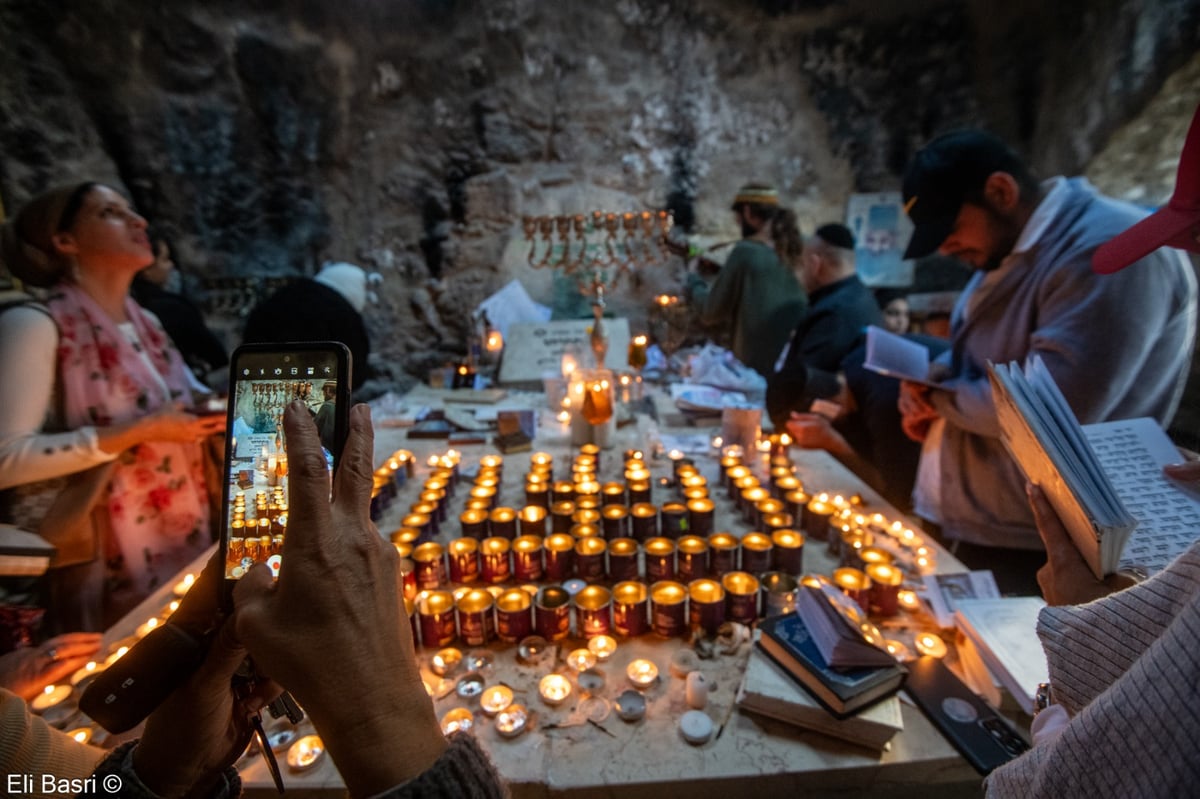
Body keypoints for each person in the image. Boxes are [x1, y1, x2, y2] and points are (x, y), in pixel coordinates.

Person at [897, 130, 1197, 594]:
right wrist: (930, 383)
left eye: (950, 228)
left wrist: (941, 398)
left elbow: (1054, 408)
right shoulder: (1011, 251)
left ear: (1001, 191)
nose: (945, 248)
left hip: (1039, 545)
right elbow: (983, 360)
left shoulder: (1101, 250)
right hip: (983, 520)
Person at [0, 183, 226, 632]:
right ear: (65, 241)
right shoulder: (33, 325)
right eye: (110, 213)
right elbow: (6, 458)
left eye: (132, 212)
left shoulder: (146, 324)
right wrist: (139, 431)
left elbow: (186, 399)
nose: (139, 222)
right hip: (100, 546)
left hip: (183, 525)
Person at [786, 331, 949, 511]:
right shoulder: (856, 361)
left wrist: (835, 444)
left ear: (817, 414)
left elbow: (895, 495)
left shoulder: (886, 403)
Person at [766, 223, 882, 429]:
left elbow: (804, 385)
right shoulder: (862, 298)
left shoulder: (834, 312)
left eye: (802, 265)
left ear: (815, 264)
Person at [686, 183, 808, 377]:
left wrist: (693, 280)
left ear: (748, 212)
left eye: (738, 217)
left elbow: (711, 312)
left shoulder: (746, 251)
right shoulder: (800, 247)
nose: (736, 222)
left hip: (754, 371)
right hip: (794, 366)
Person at [243, 262, 374, 392]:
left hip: (259, 382)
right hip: (312, 393)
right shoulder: (345, 315)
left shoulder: (284, 295)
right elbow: (355, 370)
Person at [130, 236, 229, 382]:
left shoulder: (134, 305)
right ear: (146, 268)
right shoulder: (170, 308)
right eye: (164, 259)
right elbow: (216, 356)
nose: (170, 266)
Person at [314, 379, 338, 452]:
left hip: (327, 450)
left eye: (324, 392)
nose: (323, 394)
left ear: (328, 390)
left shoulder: (327, 406)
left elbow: (315, 428)